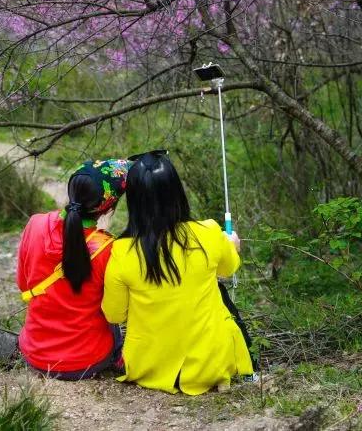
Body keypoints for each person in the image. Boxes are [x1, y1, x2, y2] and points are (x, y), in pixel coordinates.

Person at [102, 150, 253, 395]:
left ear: (134, 200)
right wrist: (233, 246)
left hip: (148, 368)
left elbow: (114, 313)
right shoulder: (209, 232)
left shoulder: (121, 251)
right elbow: (229, 268)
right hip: (212, 365)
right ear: (177, 192)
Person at [16, 158, 129, 379]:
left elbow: (23, 283)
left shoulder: (35, 224)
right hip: (86, 361)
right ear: (108, 207)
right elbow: (114, 311)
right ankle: (117, 360)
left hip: (36, 355)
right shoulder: (107, 249)